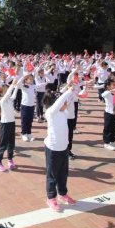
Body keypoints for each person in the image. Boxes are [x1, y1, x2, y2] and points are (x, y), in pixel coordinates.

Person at [43, 84, 77, 212]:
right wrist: (68, 91)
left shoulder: (64, 112)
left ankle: (62, 194)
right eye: (63, 102)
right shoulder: (50, 112)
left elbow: (69, 99)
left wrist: (74, 90)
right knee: (52, 174)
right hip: (52, 148)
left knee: (63, 173)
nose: (66, 103)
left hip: (63, 148)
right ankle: (51, 198)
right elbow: (60, 102)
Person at [0, 81, 18, 171]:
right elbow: (8, 94)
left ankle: (10, 159)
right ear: (1, 93)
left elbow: (13, 95)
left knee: (11, 143)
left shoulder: (9, 99)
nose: (8, 90)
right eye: (5, 90)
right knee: (3, 144)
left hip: (12, 123)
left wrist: (16, 85)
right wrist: (12, 84)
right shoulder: (2, 100)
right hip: (4, 124)